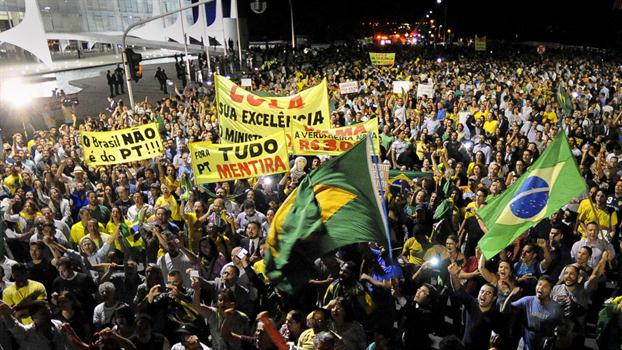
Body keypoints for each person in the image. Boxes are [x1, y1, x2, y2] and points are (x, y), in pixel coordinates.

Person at [504, 275, 563, 350]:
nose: (540, 288)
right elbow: (505, 310)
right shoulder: (527, 301)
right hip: (525, 343)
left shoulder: (556, 308)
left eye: (545, 286)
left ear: (551, 290)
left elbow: (561, 327)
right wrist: (511, 295)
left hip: (544, 345)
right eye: (539, 284)